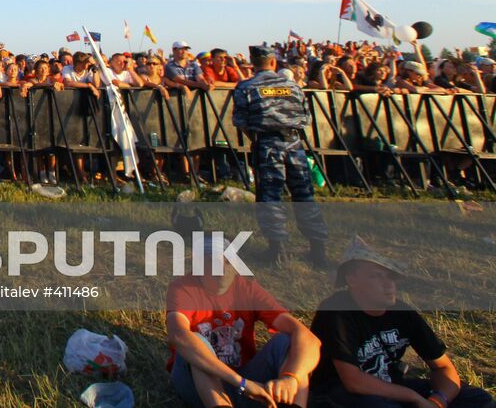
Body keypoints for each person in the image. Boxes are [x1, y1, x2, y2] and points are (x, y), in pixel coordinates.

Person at [310, 237, 493, 408]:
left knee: (479, 399)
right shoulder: (336, 311)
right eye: (376, 276)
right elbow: (353, 381)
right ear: (352, 280)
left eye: (391, 277)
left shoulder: (402, 312)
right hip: (338, 392)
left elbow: (443, 367)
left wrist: (437, 402)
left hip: (391, 386)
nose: (388, 284)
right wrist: (413, 397)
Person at [166, 236, 321, 408]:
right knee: (195, 343)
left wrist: (291, 377)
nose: (223, 268)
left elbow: (309, 339)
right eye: (216, 261)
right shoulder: (183, 288)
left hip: (247, 380)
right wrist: (241, 383)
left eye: (229, 261)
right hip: (199, 384)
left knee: (288, 342)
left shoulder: (248, 289)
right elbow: (178, 336)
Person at [233, 46, 328, 267]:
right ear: (274, 62)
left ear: (252, 62)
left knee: (270, 195)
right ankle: (318, 249)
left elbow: (240, 121)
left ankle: (277, 250)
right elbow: (306, 118)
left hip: (266, 144)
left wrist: (258, 137)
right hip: (294, 143)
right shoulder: (292, 86)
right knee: (304, 194)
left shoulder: (247, 87)